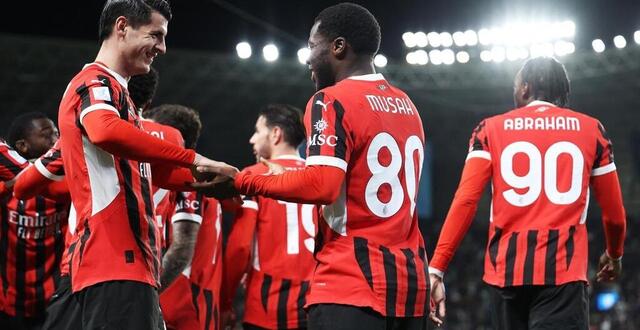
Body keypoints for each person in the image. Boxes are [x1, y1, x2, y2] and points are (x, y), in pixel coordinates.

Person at [200, 3, 429, 329]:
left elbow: (322, 184)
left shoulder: (331, 100)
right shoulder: (408, 106)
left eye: (311, 46)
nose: (308, 57)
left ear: (338, 47)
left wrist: (241, 180)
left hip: (351, 286)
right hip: (410, 290)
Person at [55, 1, 236, 328]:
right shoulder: (94, 81)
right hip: (112, 263)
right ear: (121, 27)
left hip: (131, 267)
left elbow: (157, 174)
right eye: (155, 35)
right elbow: (103, 130)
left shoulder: (121, 97)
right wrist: (194, 157)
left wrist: (219, 182)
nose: (162, 48)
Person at [428, 57, 627, 329]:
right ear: (563, 94)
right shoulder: (592, 130)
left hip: (504, 277)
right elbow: (614, 216)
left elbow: (466, 200)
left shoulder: (489, 129)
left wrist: (436, 269)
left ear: (524, 88)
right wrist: (614, 255)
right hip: (563, 276)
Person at [222, 104, 318, 330]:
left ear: (276, 134)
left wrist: (226, 301)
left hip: (269, 306)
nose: (252, 140)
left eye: (258, 131)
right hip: (317, 303)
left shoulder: (253, 177)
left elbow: (240, 247)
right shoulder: (319, 178)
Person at [0, 113, 69, 330]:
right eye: (47, 135)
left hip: (51, 298)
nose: (56, 139)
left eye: (57, 134)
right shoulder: (6, 183)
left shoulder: (70, 177)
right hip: (7, 298)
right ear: (22, 146)